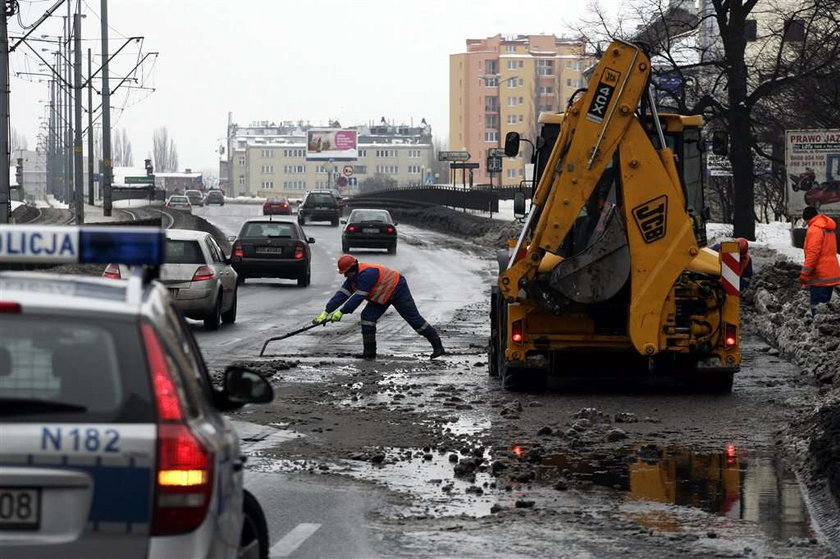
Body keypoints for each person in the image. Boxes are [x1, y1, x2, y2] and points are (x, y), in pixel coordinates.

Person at [313, 255, 445, 360]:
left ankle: (437, 346)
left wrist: (341, 312)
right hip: (381, 296)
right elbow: (342, 295)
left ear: (353, 269)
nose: (344, 276)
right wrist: (326, 311)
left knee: (413, 319)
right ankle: (369, 352)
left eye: (346, 273)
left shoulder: (368, 274)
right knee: (367, 317)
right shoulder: (352, 278)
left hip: (397, 289)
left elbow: (358, 297)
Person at [800, 206, 840, 316]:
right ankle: (824, 330)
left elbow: (813, 253)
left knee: (817, 308)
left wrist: (804, 273)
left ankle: (817, 329)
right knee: (825, 307)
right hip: (830, 272)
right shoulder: (827, 227)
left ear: (807, 219)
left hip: (820, 275)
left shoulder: (815, 229)